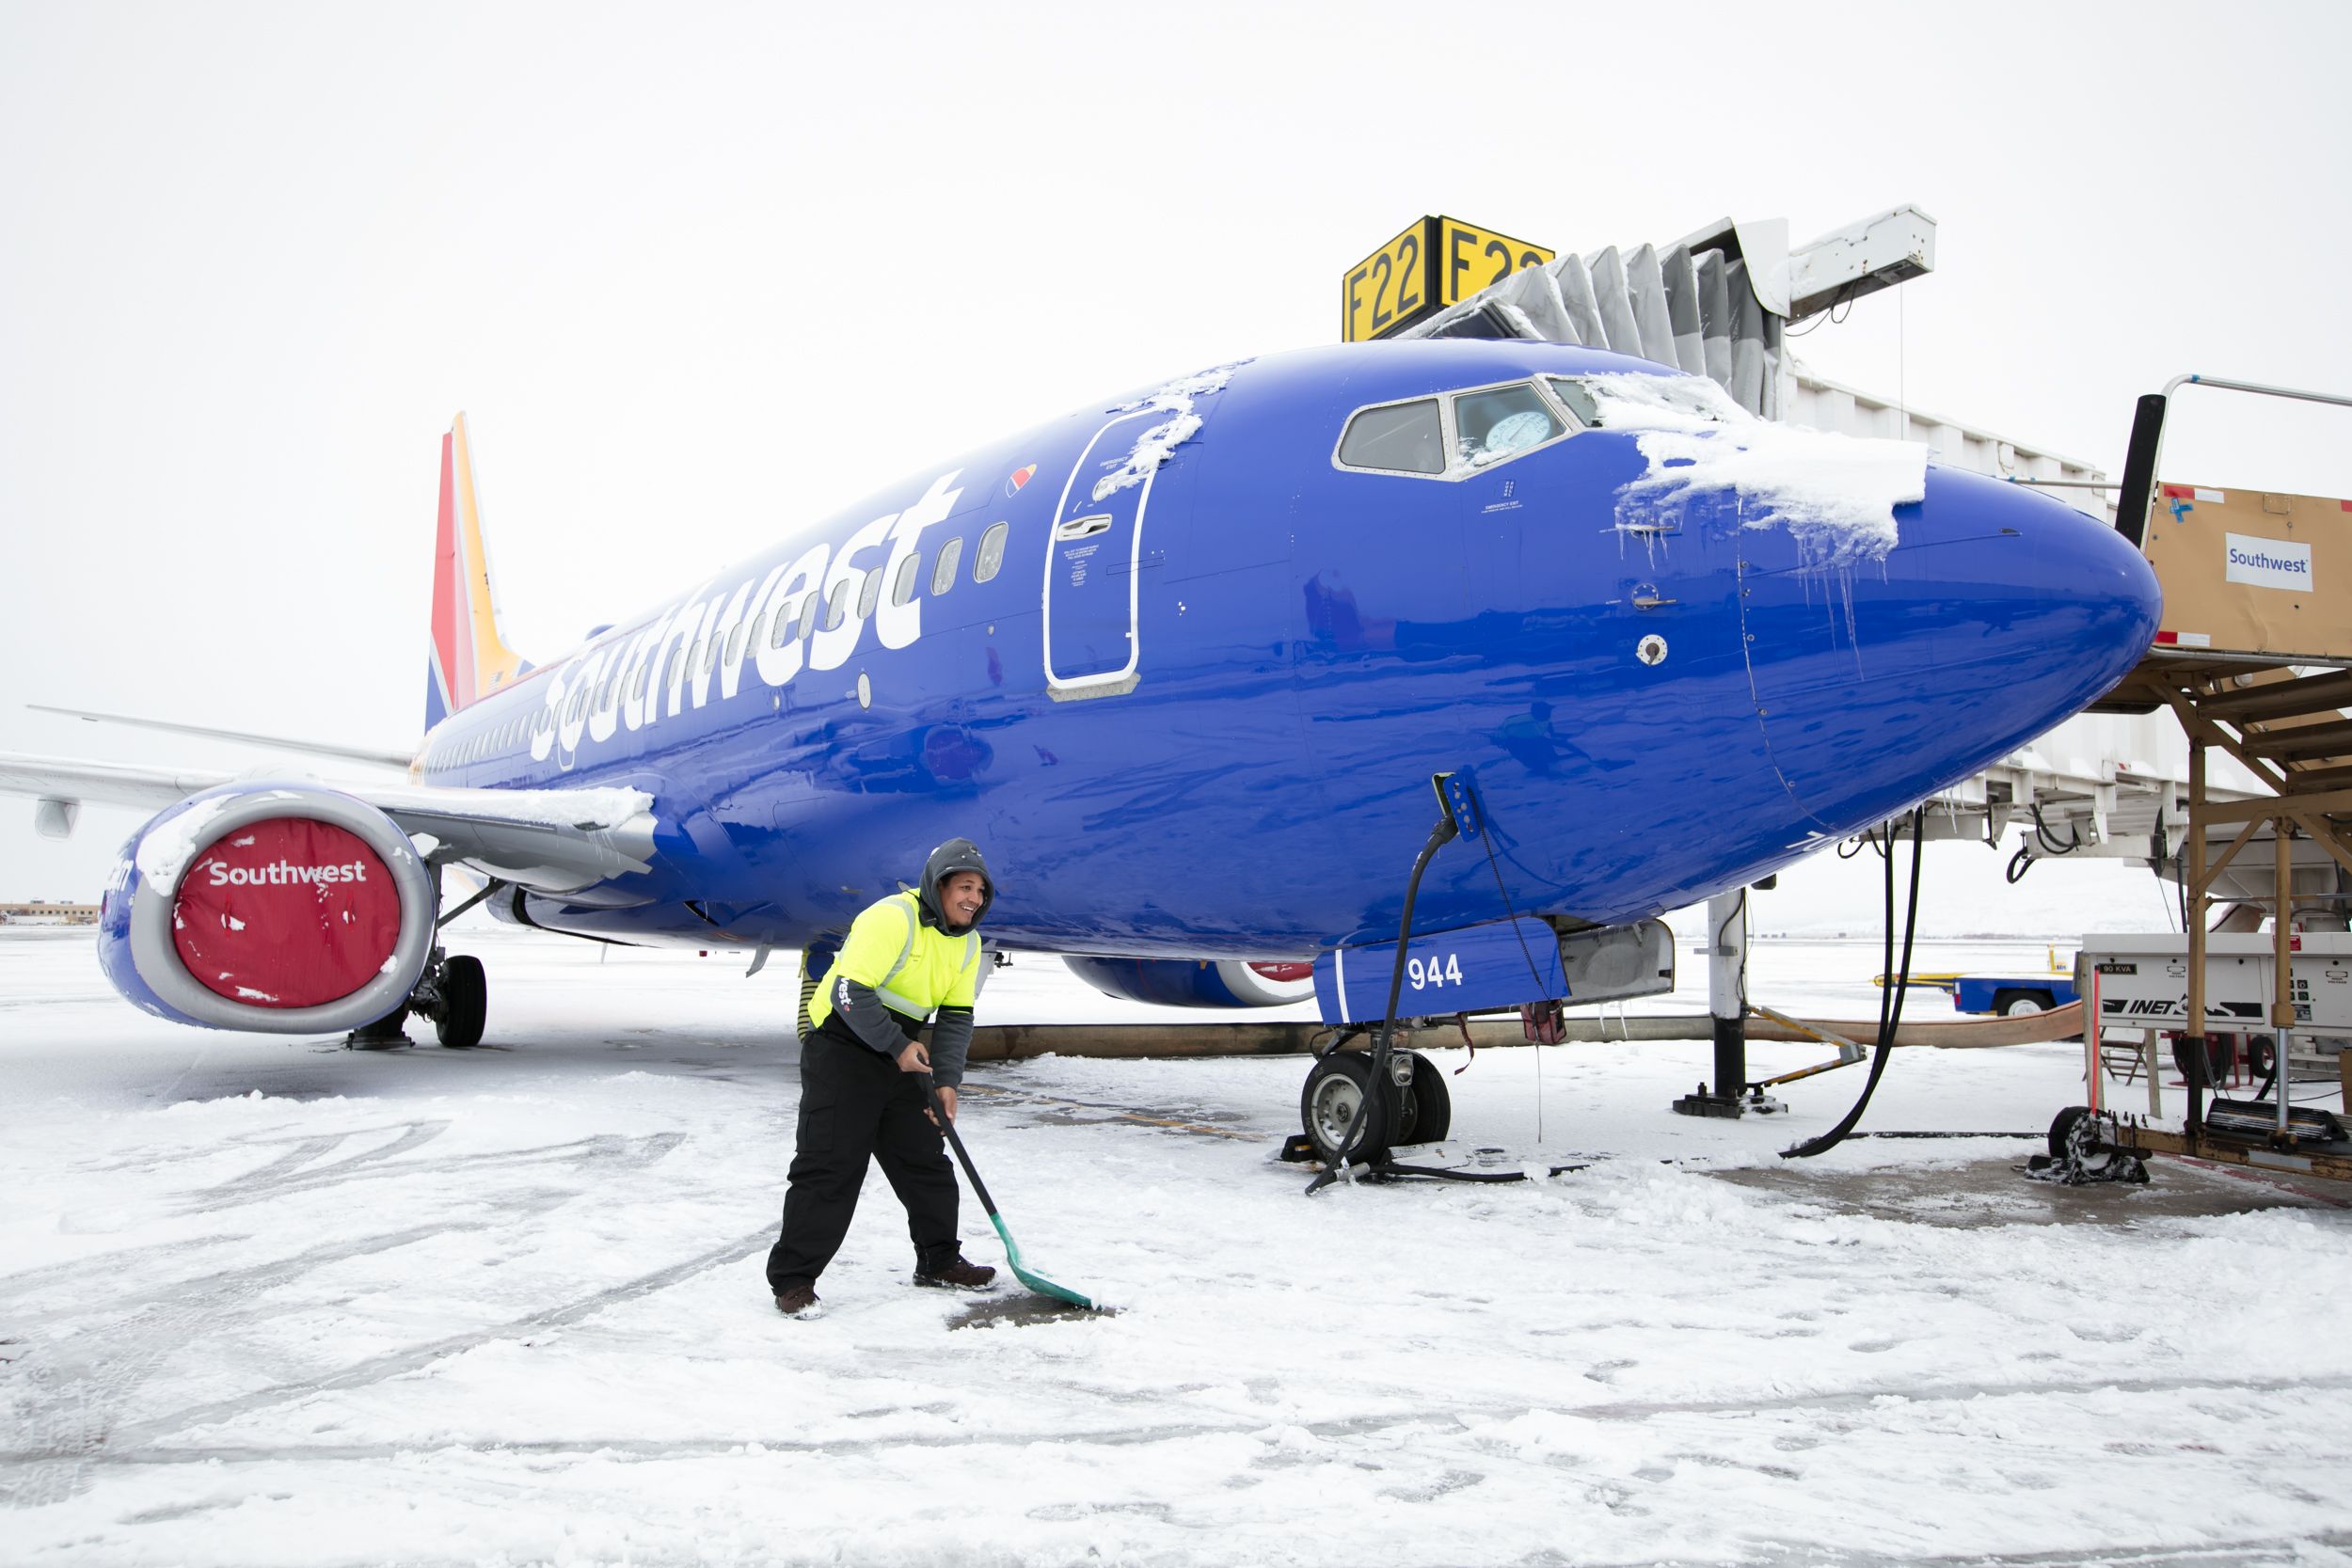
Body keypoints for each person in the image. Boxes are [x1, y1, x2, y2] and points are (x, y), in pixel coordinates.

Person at [768, 838, 999, 1317]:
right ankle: (794, 1279)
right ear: (938, 886)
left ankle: (939, 1260)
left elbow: (957, 1016)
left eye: (980, 889)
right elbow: (851, 991)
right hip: (842, 1042)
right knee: (831, 1165)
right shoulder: (891, 917)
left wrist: (947, 1082)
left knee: (925, 1161)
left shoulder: (968, 943)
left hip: (902, 1049)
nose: (974, 898)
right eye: (964, 886)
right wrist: (897, 1047)